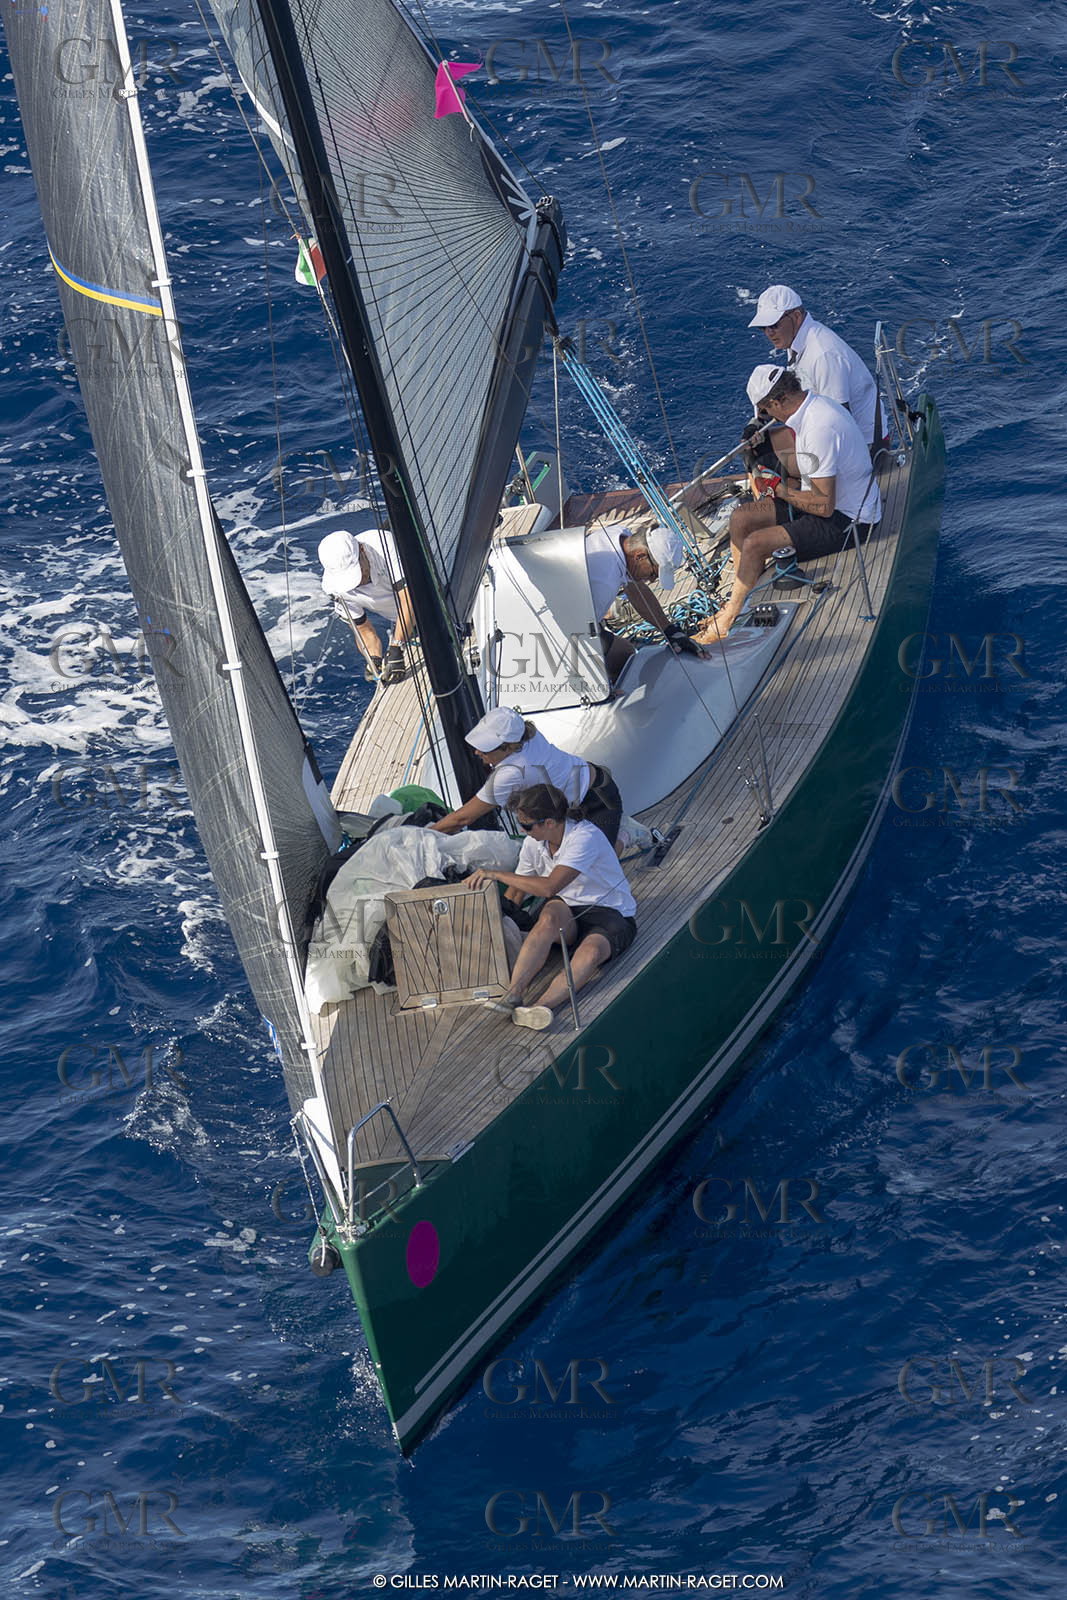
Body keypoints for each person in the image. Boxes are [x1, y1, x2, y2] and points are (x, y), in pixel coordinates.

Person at [695, 366, 882, 643]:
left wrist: (777, 489)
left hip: (849, 519)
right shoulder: (811, 407)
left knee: (755, 543)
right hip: (823, 500)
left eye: (766, 410)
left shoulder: (819, 426)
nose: (767, 417)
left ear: (778, 401)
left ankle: (730, 618)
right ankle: (740, 598)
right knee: (741, 518)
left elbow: (823, 506)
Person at [468, 783, 637, 1030]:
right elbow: (518, 890)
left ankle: (541, 1006)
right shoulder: (533, 844)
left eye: (526, 826)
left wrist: (495, 874)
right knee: (548, 916)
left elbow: (549, 887)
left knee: (590, 953)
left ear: (549, 823)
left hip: (611, 913)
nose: (524, 831)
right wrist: (503, 924)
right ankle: (512, 995)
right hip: (568, 911)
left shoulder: (584, 837)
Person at [430, 705, 624, 844]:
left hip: (598, 803)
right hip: (588, 785)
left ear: (509, 748)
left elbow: (463, 818)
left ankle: (627, 836)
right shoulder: (527, 732)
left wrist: (426, 833)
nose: (477, 752)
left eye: (485, 748)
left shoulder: (512, 773)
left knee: (596, 865)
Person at [746, 284, 882, 455]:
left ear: (796, 316)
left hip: (863, 445)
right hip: (830, 430)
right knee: (756, 448)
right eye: (763, 327)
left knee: (761, 454)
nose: (769, 332)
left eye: (773, 324)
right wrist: (758, 423)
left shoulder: (823, 355)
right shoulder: (795, 339)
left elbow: (840, 423)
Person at [584, 521, 705, 680]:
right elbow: (577, 637)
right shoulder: (605, 585)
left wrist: (670, 631)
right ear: (640, 555)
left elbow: (637, 589)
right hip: (570, 630)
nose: (653, 580)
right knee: (613, 675)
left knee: (626, 655)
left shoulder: (621, 537)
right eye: (653, 573)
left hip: (581, 613)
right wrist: (601, 689)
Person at [318, 527, 415, 686]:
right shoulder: (334, 588)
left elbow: (409, 599)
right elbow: (364, 630)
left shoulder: (384, 544)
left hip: (433, 601)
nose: (359, 581)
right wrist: (374, 659)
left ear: (362, 550)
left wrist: (396, 646)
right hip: (408, 629)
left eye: (358, 571)